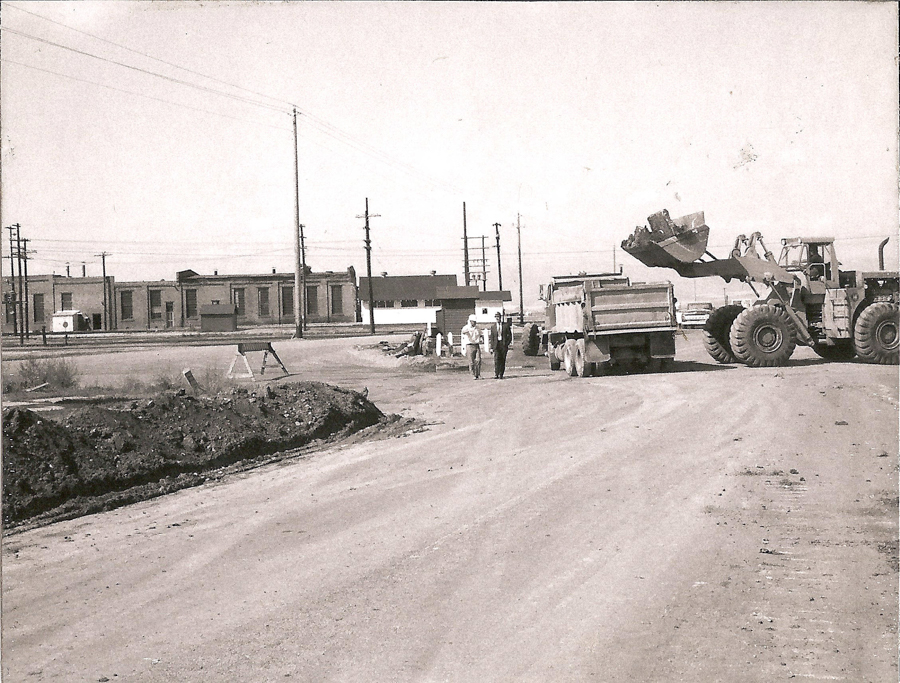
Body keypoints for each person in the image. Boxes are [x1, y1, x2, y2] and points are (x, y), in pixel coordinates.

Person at [489, 312, 512, 379]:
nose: (497, 318)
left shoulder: (505, 325)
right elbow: (492, 338)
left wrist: (507, 343)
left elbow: (509, 335)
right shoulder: (493, 327)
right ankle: (496, 373)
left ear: (500, 317)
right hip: (496, 345)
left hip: (503, 344)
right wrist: (491, 347)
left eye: (498, 317)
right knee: (496, 359)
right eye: (496, 317)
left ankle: (501, 374)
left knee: (502, 359)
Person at [461, 314, 482, 379]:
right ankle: (473, 374)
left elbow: (481, 333)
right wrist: (466, 332)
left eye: (475, 321)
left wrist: (482, 338)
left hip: (476, 344)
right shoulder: (466, 327)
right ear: (470, 321)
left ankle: (478, 374)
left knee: (478, 360)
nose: (475, 323)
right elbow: (463, 332)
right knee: (471, 361)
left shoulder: (477, 328)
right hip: (469, 345)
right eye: (473, 321)